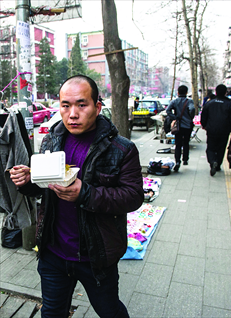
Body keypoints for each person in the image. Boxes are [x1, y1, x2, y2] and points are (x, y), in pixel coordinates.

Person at [9, 75, 144, 317]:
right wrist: (29, 181)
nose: (73, 113)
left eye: (82, 105)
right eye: (65, 105)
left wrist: (85, 193)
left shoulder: (122, 149)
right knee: (52, 312)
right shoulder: (52, 140)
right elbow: (44, 188)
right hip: (53, 251)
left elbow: (133, 196)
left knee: (110, 310)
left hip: (96, 256)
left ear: (97, 107)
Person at [201, 84, 231, 176]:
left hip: (211, 129)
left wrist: (204, 125)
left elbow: (203, 115)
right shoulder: (230, 104)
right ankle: (217, 164)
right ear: (226, 92)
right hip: (225, 130)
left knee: (211, 147)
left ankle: (212, 161)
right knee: (221, 148)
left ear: (216, 92)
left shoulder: (209, 103)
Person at [166, 85, 195, 171]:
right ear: (186, 93)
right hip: (187, 126)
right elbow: (192, 109)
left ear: (178, 92)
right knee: (186, 143)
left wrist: (174, 117)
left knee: (178, 144)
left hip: (178, 127)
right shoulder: (189, 101)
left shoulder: (174, 101)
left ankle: (177, 161)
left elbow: (168, 110)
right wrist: (190, 117)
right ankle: (185, 159)